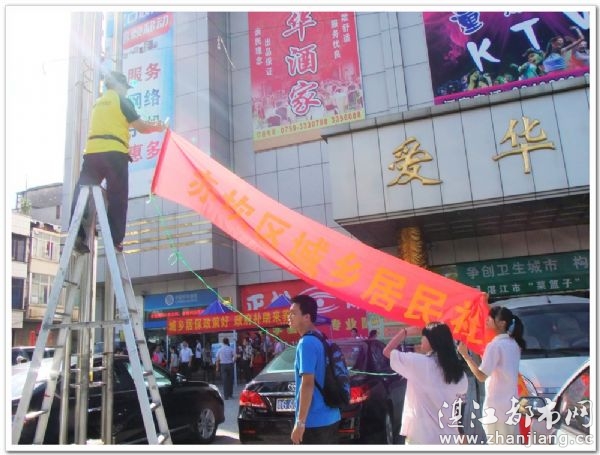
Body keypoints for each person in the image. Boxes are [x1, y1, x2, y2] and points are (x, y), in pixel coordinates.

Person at [70, 71, 166, 254]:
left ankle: (77, 234)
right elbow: (141, 127)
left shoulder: (98, 103)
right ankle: (115, 238)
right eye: (125, 87)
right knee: (117, 197)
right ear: (118, 85)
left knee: (82, 192)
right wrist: (158, 126)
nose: (126, 91)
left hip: (92, 154)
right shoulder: (122, 101)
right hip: (114, 154)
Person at [383, 322, 468, 444]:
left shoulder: (419, 363)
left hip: (422, 438)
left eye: (424, 336)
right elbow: (459, 415)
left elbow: (387, 351)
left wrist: (405, 332)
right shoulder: (460, 374)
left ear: (432, 341)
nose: (421, 339)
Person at [458, 306, 525, 443]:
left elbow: (481, 376)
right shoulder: (513, 344)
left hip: (497, 410)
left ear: (502, 323)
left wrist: (465, 356)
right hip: (510, 407)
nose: (487, 320)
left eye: (491, 317)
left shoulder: (495, 346)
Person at [288, 295, 340, 444]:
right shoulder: (321, 338)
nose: (289, 316)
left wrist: (300, 423)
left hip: (314, 422)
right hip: (332, 415)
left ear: (307, 317)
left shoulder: (306, 343)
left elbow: (307, 384)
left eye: (293, 313)